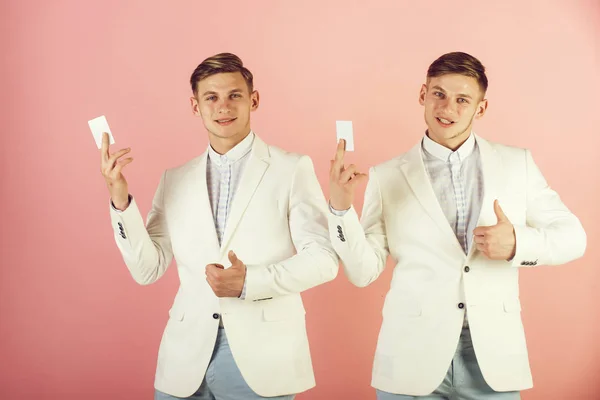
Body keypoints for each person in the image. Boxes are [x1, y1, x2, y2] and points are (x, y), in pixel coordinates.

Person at [328, 51, 587, 399]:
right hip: (411, 356)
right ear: (423, 95)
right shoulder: (386, 175)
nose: (447, 108)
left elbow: (574, 238)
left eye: (462, 99)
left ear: (480, 108)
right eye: (439, 94)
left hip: (493, 357)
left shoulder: (516, 164)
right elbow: (362, 272)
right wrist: (341, 208)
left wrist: (516, 244)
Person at [100, 52, 338, 399]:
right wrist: (120, 200)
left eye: (234, 95)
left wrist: (250, 281)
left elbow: (324, 259)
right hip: (184, 356)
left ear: (253, 100)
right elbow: (147, 270)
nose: (223, 106)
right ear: (195, 106)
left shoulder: (291, 168)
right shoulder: (175, 179)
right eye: (211, 97)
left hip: (263, 358)